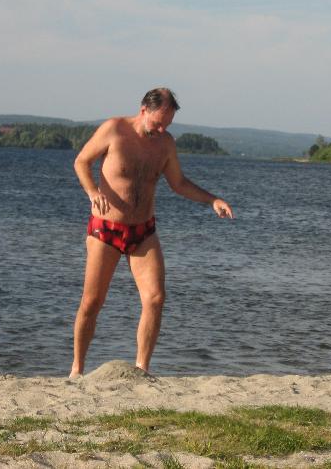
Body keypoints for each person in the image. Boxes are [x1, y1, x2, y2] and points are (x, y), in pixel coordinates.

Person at [69, 88, 234, 377]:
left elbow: (179, 183)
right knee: (91, 302)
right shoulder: (114, 130)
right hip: (106, 229)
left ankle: (141, 369)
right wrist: (93, 192)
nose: (161, 130)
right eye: (158, 123)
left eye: (166, 125)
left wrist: (212, 200)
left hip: (143, 232)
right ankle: (77, 369)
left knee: (155, 298)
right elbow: (81, 162)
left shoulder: (165, 144)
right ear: (143, 109)